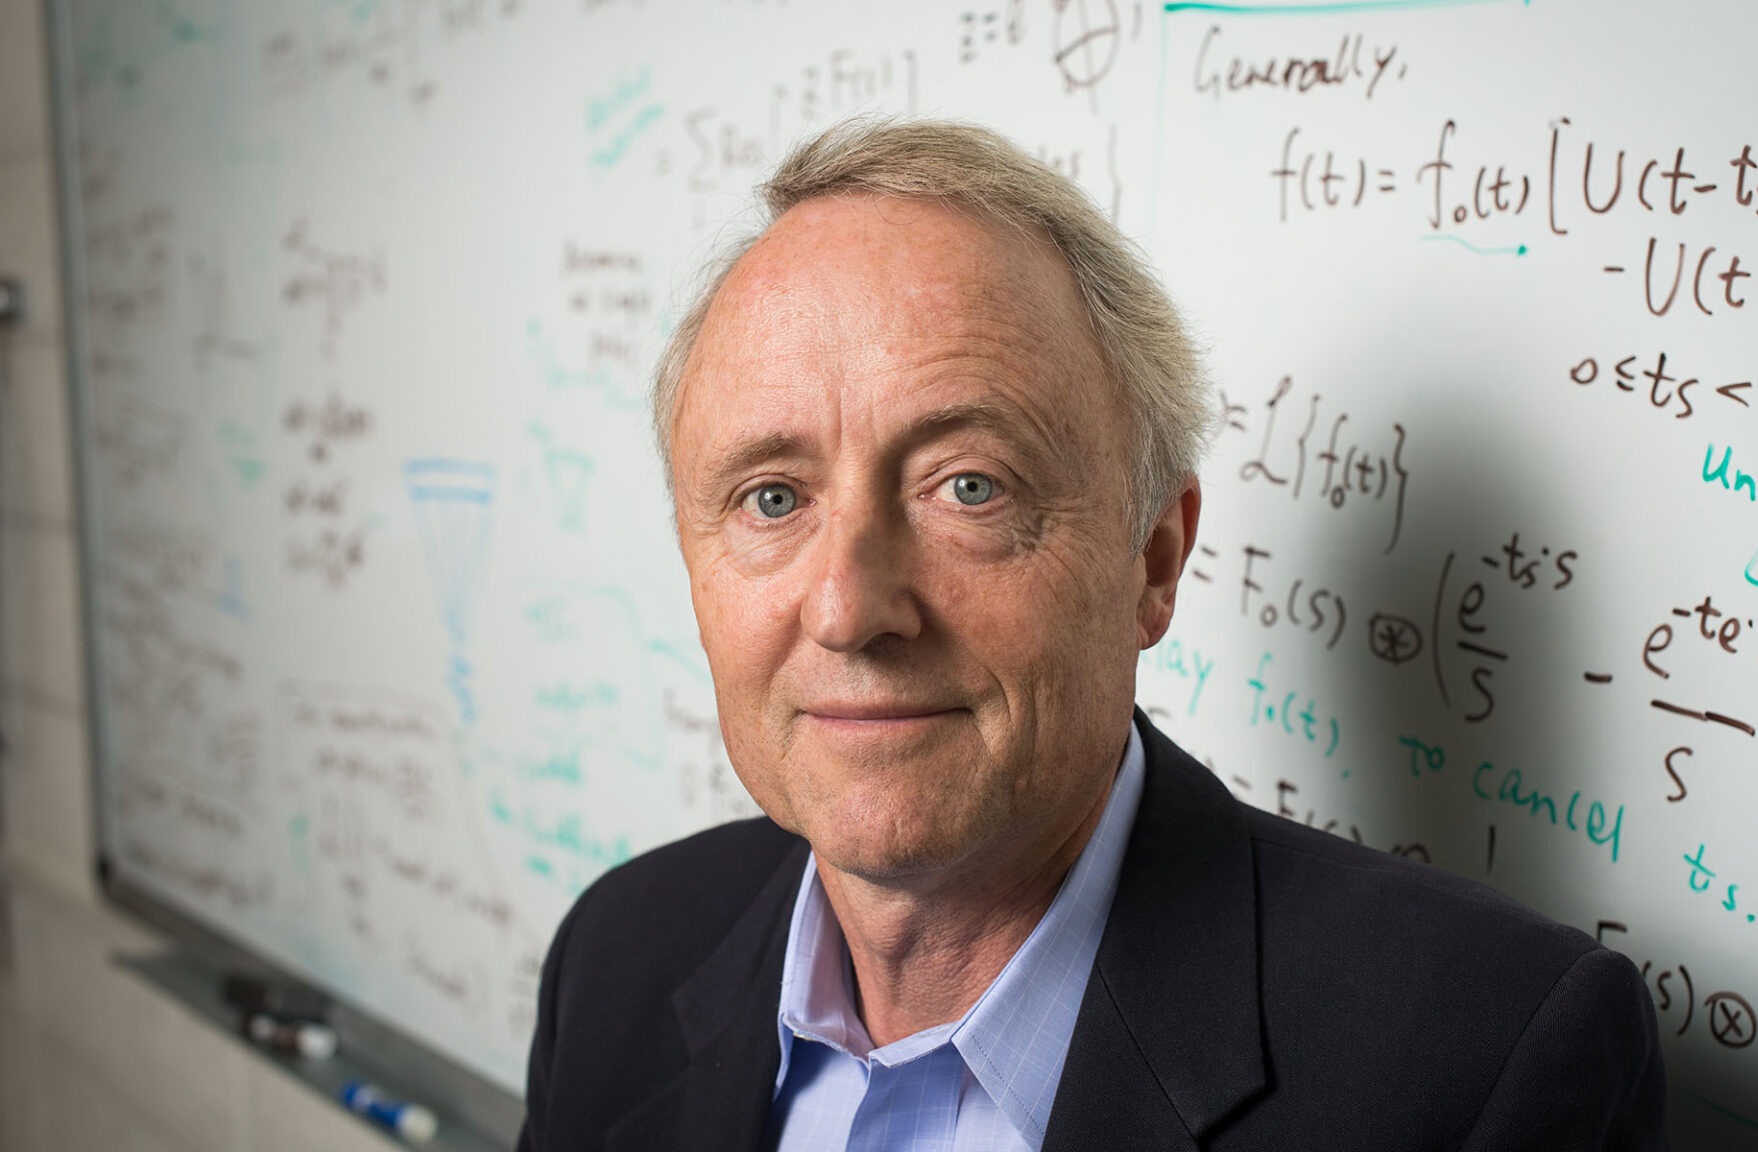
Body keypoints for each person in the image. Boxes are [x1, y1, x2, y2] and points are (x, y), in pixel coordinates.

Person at [517, 118, 1668, 1152]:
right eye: (772, 497)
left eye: (969, 487)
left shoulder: (1489, 1066)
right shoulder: (618, 955)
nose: (848, 610)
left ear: (1151, 563)